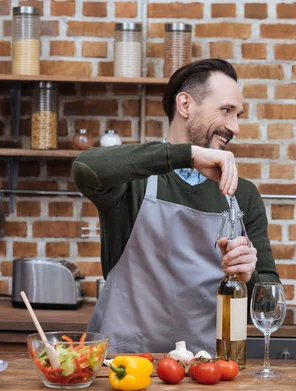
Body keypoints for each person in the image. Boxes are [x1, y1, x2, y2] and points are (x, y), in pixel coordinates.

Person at [72, 59, 279, 354]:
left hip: (205, 369)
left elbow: (267, 302)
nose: (235, 127)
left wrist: (249, 275)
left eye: (238, 115)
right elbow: (85, 168)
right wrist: (188, 156)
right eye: (226, 111)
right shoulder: (133, 182)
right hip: (123, 367)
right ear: (185, 105)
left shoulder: (242, 195)